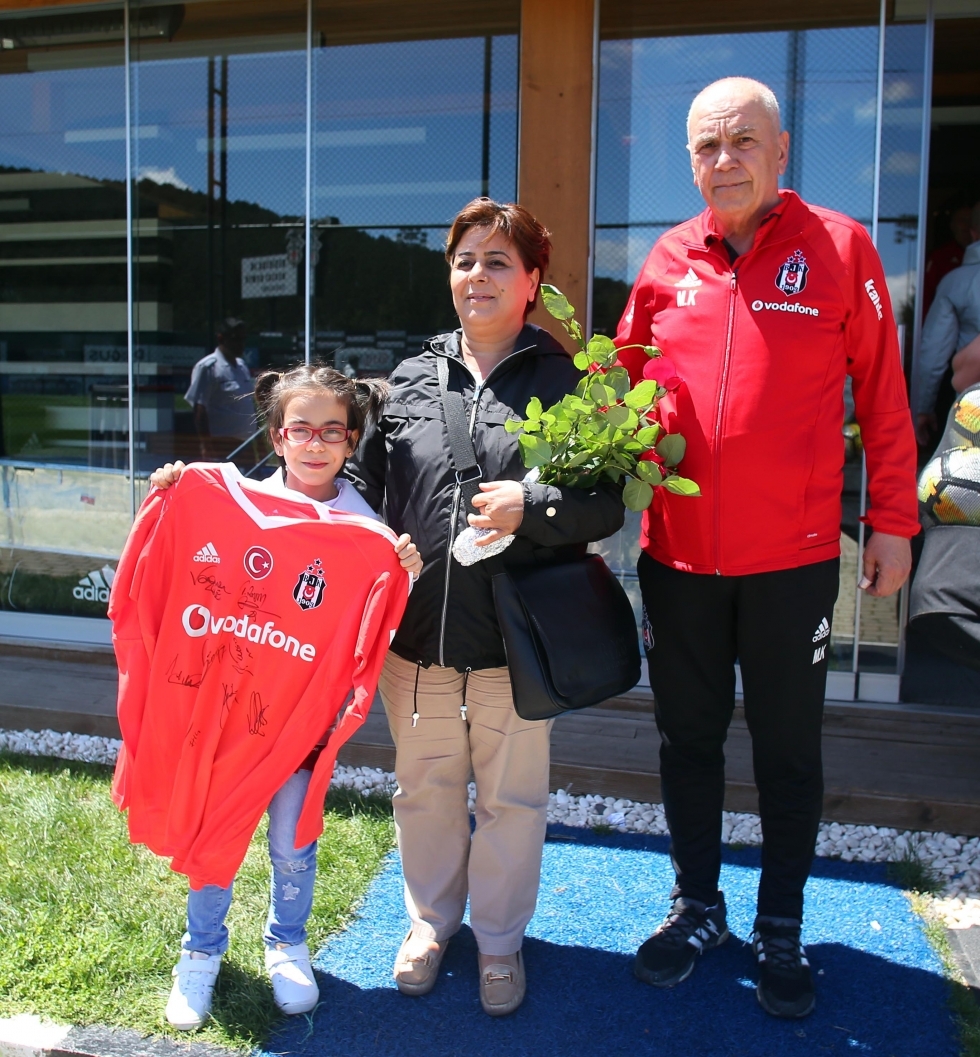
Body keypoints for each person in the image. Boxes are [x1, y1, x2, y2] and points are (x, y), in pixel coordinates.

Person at [615, 77, 919, 1019]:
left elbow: (884, 395)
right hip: (678, 564)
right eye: (707, 146)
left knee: (788, 751)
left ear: (782, 151)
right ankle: (698, 903)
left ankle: (779, 925)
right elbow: (621, 389)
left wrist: (897, 523)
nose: (724, 160)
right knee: (687, 741)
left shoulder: (840, 248)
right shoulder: (667, 258)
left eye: (743, 141)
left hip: (791, 563)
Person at [346, 198, 625, 1016]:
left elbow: (603, 503)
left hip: (517, 645)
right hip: (418, 639)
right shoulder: (406, 379)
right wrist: (371, 544)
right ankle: (431, 924)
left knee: (512, 801)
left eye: (498, 261)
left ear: (533, 280)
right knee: (425, 789)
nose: (478, 275)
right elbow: (361, 487)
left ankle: (500, 942)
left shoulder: (568, 383)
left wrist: (534, 505)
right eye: (466, 260)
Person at [145, 366, 422, 1030]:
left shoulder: (364, 532)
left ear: (352, 440)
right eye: (301, 429)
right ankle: (201, 953)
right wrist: (173, 492)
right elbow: (191, 560)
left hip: (302, 727)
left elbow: (367, 631)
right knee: (219, 834)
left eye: (333, 430)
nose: (316, 443)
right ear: (276, 436)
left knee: (292, 838)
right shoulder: (238, 503)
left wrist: (400, 575)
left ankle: (286, 942)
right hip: (229, 718)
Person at [914, 201, 980, 447]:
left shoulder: (957, 283)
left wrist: (922, 408)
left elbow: (933, 355)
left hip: (973, 414)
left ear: (973, 233)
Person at [186, 318, 257, 459]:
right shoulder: (208, 368)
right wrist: (206, 445)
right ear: (221, 338)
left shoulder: (241, 366)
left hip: (246, 443)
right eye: (236, 339)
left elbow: (249, 404)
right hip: (221, 445)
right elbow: (200, 411)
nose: (241, 344)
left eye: (243, 339)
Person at [922, 203, 975, 314]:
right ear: (952, 225)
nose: (967, 224)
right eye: (962, 220)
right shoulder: (940, 257)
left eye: (971, 220)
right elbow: (926, 297)